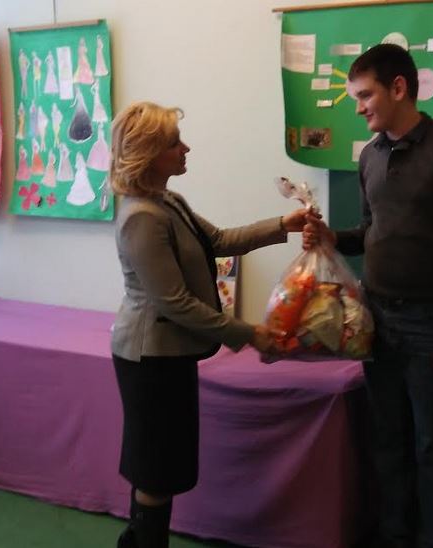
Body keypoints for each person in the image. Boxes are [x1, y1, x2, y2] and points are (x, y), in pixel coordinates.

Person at [303, 44, 433, 548]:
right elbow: (372, 231)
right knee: (387, 441)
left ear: (399, 88)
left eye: (365, 96)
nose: (359, 107)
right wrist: (331, 239)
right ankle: (395, 535)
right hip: (377, 321)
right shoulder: (370, 157)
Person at [109, 101, 308, 548]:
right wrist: (249, 334)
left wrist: (284, 224)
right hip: (150, 359)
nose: (186, 148)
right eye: (174, 143)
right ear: (150, 154)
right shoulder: (142, 217)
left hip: (167, 354)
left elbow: (216, 240)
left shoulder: (166, 202)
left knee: (159, 465)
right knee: (156, 469)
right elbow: (175, 303)